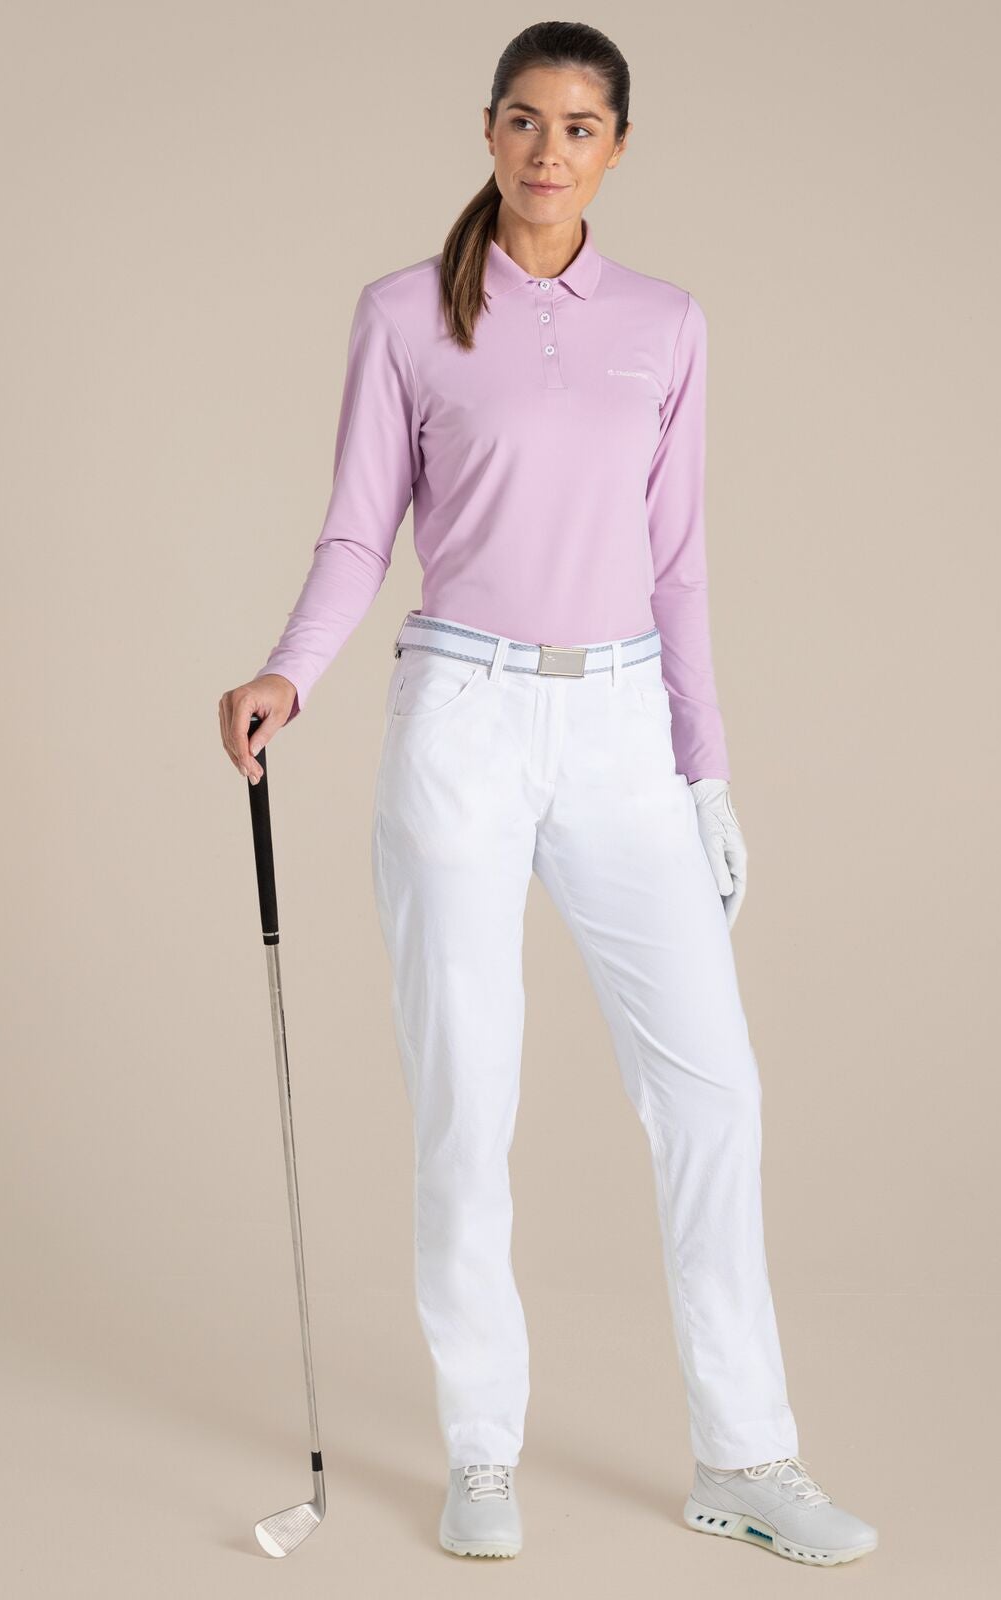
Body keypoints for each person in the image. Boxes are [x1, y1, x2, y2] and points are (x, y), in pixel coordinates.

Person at [217, 21, 878, 1568]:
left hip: (623, 723)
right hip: (462, 713)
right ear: (489, 131)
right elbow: (358, 534)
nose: (548, 151)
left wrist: (705, 768)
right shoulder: (405, 313)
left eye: (580, 128)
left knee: (711, 1091)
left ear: (617, 148)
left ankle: (746, 1455)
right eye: (524, 120)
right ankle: (482, 1452)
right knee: (469, 1097)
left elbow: (680, 562)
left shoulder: (667, 324)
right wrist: (289, 673)